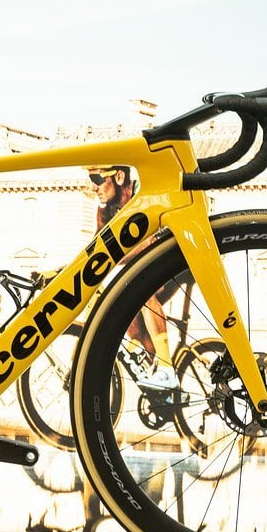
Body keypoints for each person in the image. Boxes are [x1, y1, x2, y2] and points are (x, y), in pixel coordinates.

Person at [87, 165, 178, 389]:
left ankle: (167, 369)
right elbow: (93, 250)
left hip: (175, 256)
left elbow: (146, 246)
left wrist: (111, 257)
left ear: (119, 176)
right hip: (150, 261)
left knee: (145, 291)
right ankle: (158, 376)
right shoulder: (105, 209)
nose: (93, 187)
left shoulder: (142, 195)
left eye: (97, 178)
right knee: (130, 319)